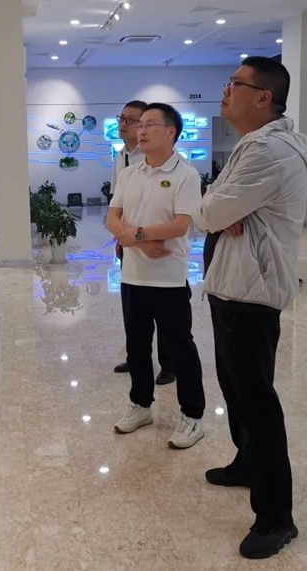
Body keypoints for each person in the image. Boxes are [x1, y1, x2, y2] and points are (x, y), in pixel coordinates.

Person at [193, 56, 307, 559]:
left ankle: (277, 519)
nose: (225, 91)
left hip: (250, 292)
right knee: (236, 390)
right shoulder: (256, 144)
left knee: (257, 402)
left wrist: (218, 209)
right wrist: (219, 208)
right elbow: (217, 207)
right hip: (234, 286)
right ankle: (247, 464)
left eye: (235, 84)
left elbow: (208, 211)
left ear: (264, 97)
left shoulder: (268, 150)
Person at [107, 103, 205, 449]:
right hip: (132, 276)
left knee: (180, 348)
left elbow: (180, 225)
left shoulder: (186, 175)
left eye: (150, 124)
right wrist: (141, 242)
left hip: (168, 279)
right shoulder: (129, 173)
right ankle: (141, 404)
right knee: (136, 345)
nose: (141, 130)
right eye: (140, 125)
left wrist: (135, 236)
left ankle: (193, 416)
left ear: (171, 132)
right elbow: (112, 218)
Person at [110, 100, 175, 385]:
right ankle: (136, 356)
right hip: (130, 243)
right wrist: (124, 239)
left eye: (132, 120)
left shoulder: (158, 158)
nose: (124, 124)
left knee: (163, 307)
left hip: (158, 244)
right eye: (122, 118)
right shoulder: (121, 157)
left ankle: (169, 363)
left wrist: (138, 238)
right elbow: (117, 205)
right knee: (132, 306)